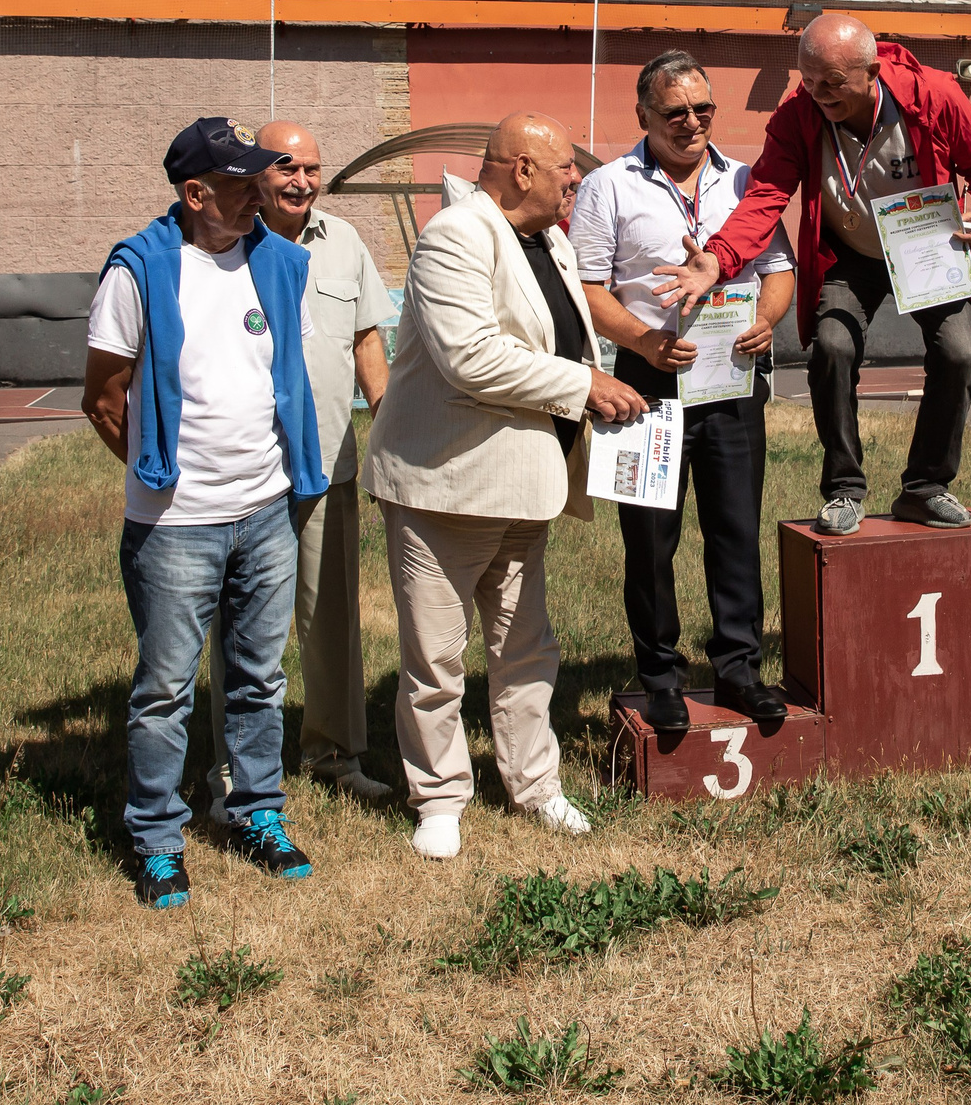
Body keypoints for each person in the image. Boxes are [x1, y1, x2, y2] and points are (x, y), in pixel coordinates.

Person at [359, 111, 649, 859]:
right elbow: (472, 358)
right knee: (437, 657)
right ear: (521, 168)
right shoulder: (456, 236)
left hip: (526, 483)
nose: (575, 183)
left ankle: (536, 785)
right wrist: (583, 385)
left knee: (526, 648)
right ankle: (440, 797)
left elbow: (557, 337)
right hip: (444, 483)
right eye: (564, 172)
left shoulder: (549, 240)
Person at [82, 117, 331, 909]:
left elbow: (286, 370)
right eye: (239, 184)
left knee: (259, 675)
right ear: (194, 193)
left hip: (265, 510)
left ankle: (255, 811)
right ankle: (156, 835)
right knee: (166, 688)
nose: (259, 192)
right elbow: (103, 398)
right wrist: (168, 479)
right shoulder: (141, 270)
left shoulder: (281, 265)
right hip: (175, 523)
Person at [657, 12, 971, 534]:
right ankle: (844, 487)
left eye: (833, 83)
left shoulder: (934, 96)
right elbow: (768, 193)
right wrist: (717, 258)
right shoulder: (798, 114)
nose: (818, 93)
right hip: (850, 254)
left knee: (960, 353)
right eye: (809, 79)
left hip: (927, 249)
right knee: (833, 346)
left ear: (871, 72)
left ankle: (927, 486)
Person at [570, 51, 797, 735]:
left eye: (704, 110)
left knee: (735, 529)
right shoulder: (608, 186)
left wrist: (766, 320)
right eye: (676, 112)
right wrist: (641, 342)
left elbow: (777, 268)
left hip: (730, 379)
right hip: (645, 383)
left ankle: (738, 667)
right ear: (643, 115)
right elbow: (587, 287)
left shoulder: (749, 180)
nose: (692, 123)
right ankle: (660, 674)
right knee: (650, 538)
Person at [253, 120, 397, 803]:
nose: (301, 181)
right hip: (245, 472)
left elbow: (368, 340)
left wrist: (391, 435)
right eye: (286, 167)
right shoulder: (226, 242)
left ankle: (334, 754)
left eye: (311, 168)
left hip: (330, 462)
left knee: (331, 616)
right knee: (242, 619)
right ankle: (235, 759)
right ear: (257, 172)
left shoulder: (341, 242)